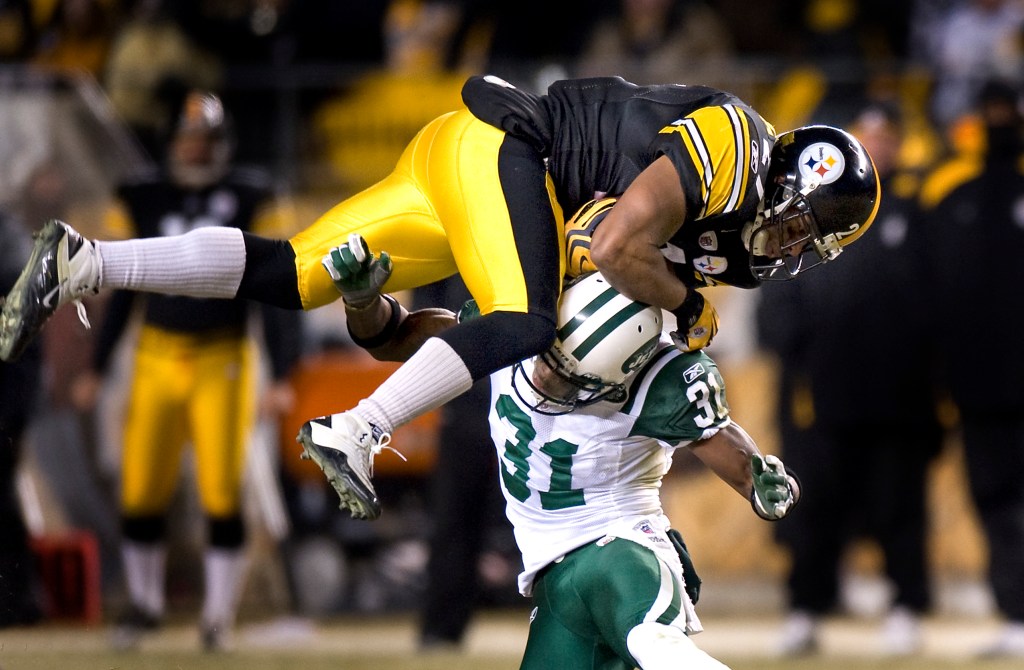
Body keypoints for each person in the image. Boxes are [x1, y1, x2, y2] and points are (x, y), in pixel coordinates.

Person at [0, 73, 879, 522]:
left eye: (811, 238)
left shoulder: (713, 243)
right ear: (783, 184)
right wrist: (688, 313)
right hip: (510, 152)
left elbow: (435, 338)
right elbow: (613, 246)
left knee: (301, 271)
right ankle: (358, 429)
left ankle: (87, 263)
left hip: (466, 160)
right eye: (798, 222)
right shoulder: (731, 143)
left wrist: (368, 315)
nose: (793, 243)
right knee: (528, 319)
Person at [341, 252, 802, 669]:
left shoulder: (662, 379)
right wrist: (365, 307)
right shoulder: (520, 321)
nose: (546, 377)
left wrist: (755, 478)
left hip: (620, 545)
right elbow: (405, 340)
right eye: (551, 357)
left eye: (573, 378)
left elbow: (718, 437)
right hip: (552, 577)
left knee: (654, 641)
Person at [69, 90, 303, 651]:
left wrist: (282, 374)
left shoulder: (253, 195)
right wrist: (97, 367)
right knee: (141, 487)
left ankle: (217, 617)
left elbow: (276, 291)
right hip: (154, 355)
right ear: (172, 142)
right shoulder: (140, 195)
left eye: (206, 140)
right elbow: (122, 289)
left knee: (223, 491)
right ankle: (145, 606)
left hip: (223, 357)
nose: (196, 151)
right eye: (188, 139)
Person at [757, 101, 943, 656]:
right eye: (869, 135)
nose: (879, 145)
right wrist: (790, 348)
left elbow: (934, 301)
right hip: (821, 396)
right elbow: (778, 283)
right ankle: (805, 610)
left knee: (899, 507)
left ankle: (907, 607)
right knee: (813, 509)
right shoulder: (813, 209)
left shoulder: (917, 210)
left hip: (897, 396)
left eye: (887, 136)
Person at [919, 80, 1024, 659]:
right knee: (995, 499)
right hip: (980, 390)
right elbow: (936, 301)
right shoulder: (953, 203)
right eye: (992, 113)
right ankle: (1015, 612)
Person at [0, 210, 44, 628]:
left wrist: (11, 416)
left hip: (6, 388)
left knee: (0, 498)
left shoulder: (8, 241)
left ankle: (17, 601)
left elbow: (23, 347)